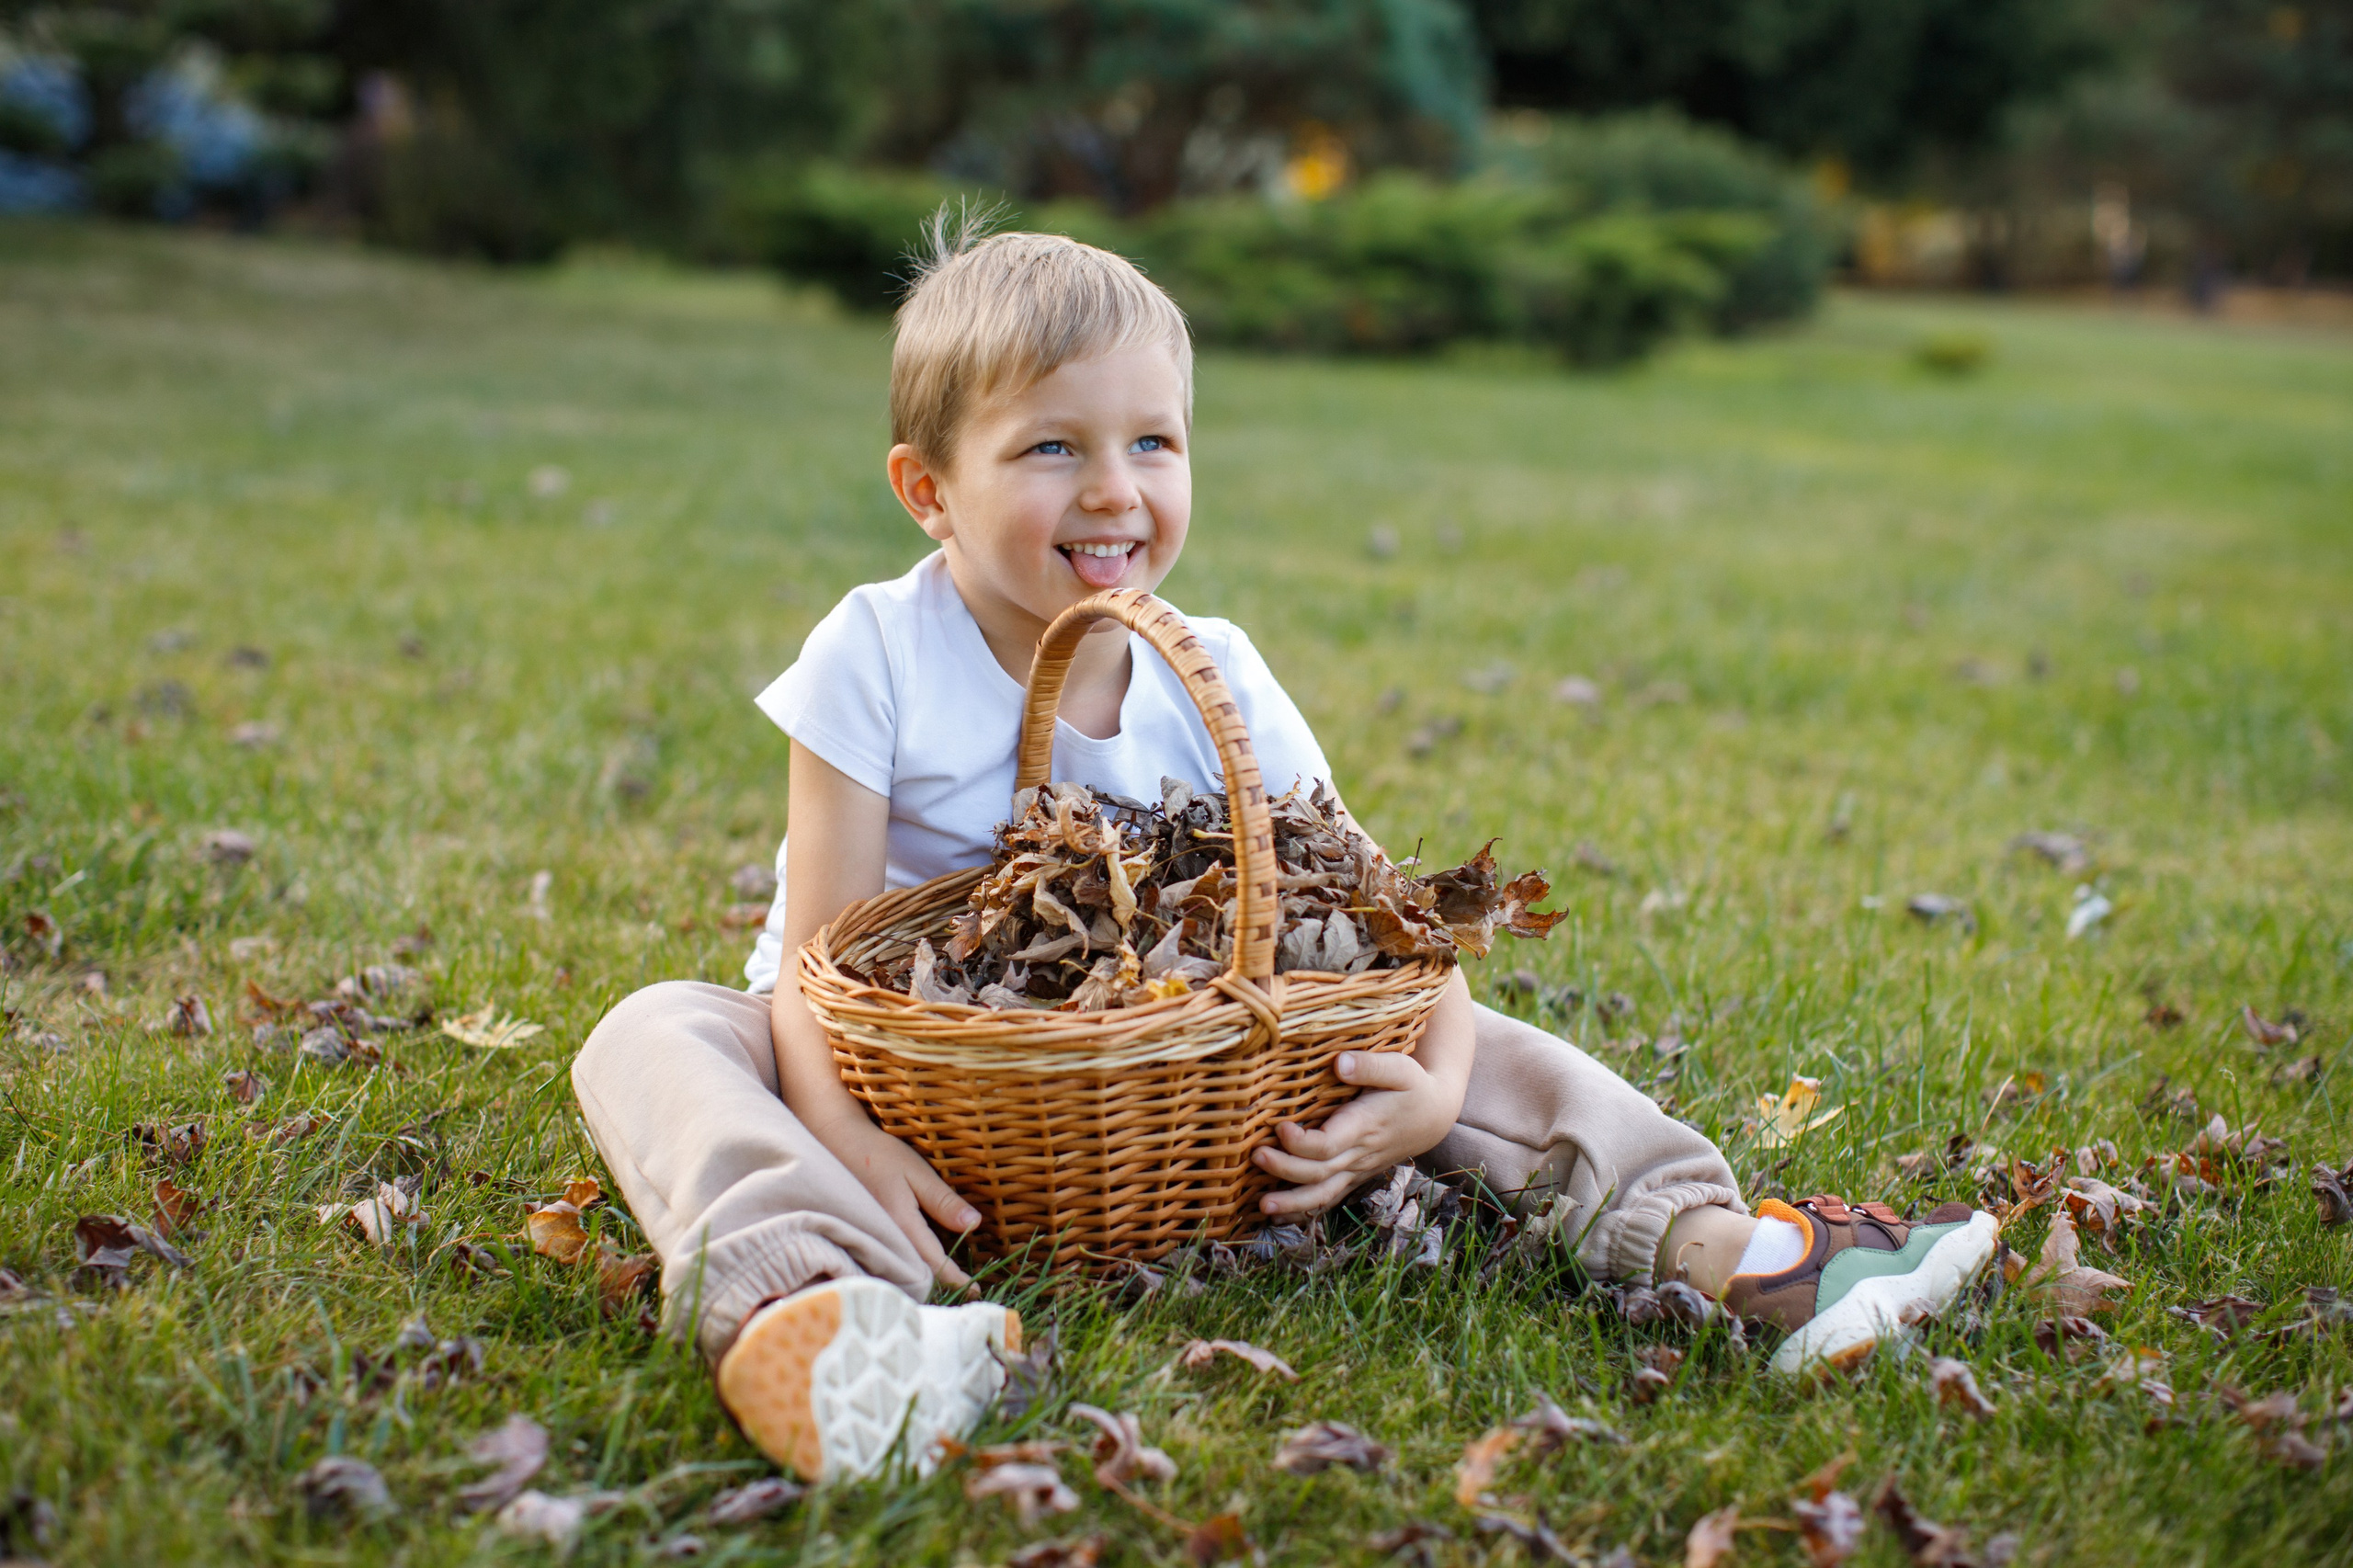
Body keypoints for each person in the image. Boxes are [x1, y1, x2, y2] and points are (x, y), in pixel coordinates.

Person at [570, 216, 1997, 1485]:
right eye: (1052, 446)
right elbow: (816, 967)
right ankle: (823, 1309)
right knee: (657, 1033)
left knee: (1477, 1042)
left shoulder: (1220, 673)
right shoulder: (873, 650)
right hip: (910, 1080)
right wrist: (850, 1136)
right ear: (927, 490)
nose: (1116, 487)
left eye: (1154, 441)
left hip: (1182, 1076)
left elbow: (1382, 914)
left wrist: (1432, 1090)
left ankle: (1742, 1258)